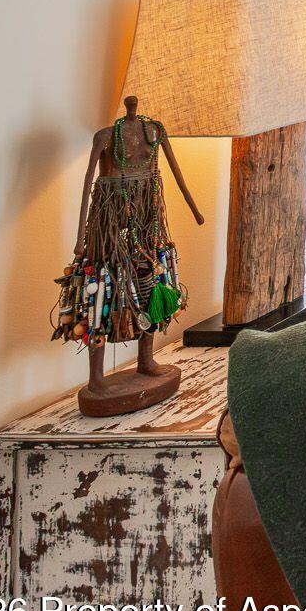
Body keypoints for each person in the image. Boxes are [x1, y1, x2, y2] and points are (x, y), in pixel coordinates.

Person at [52, 96, 204, 412]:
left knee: (150, 282)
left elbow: (176, 172)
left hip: (147, 213)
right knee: (102, 292)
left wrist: (193, 207)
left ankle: (146, 359)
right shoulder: (105, 138)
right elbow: (87, 184)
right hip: (108, 217)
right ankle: (96, 377)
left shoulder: (155, 131)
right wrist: (81, 236)